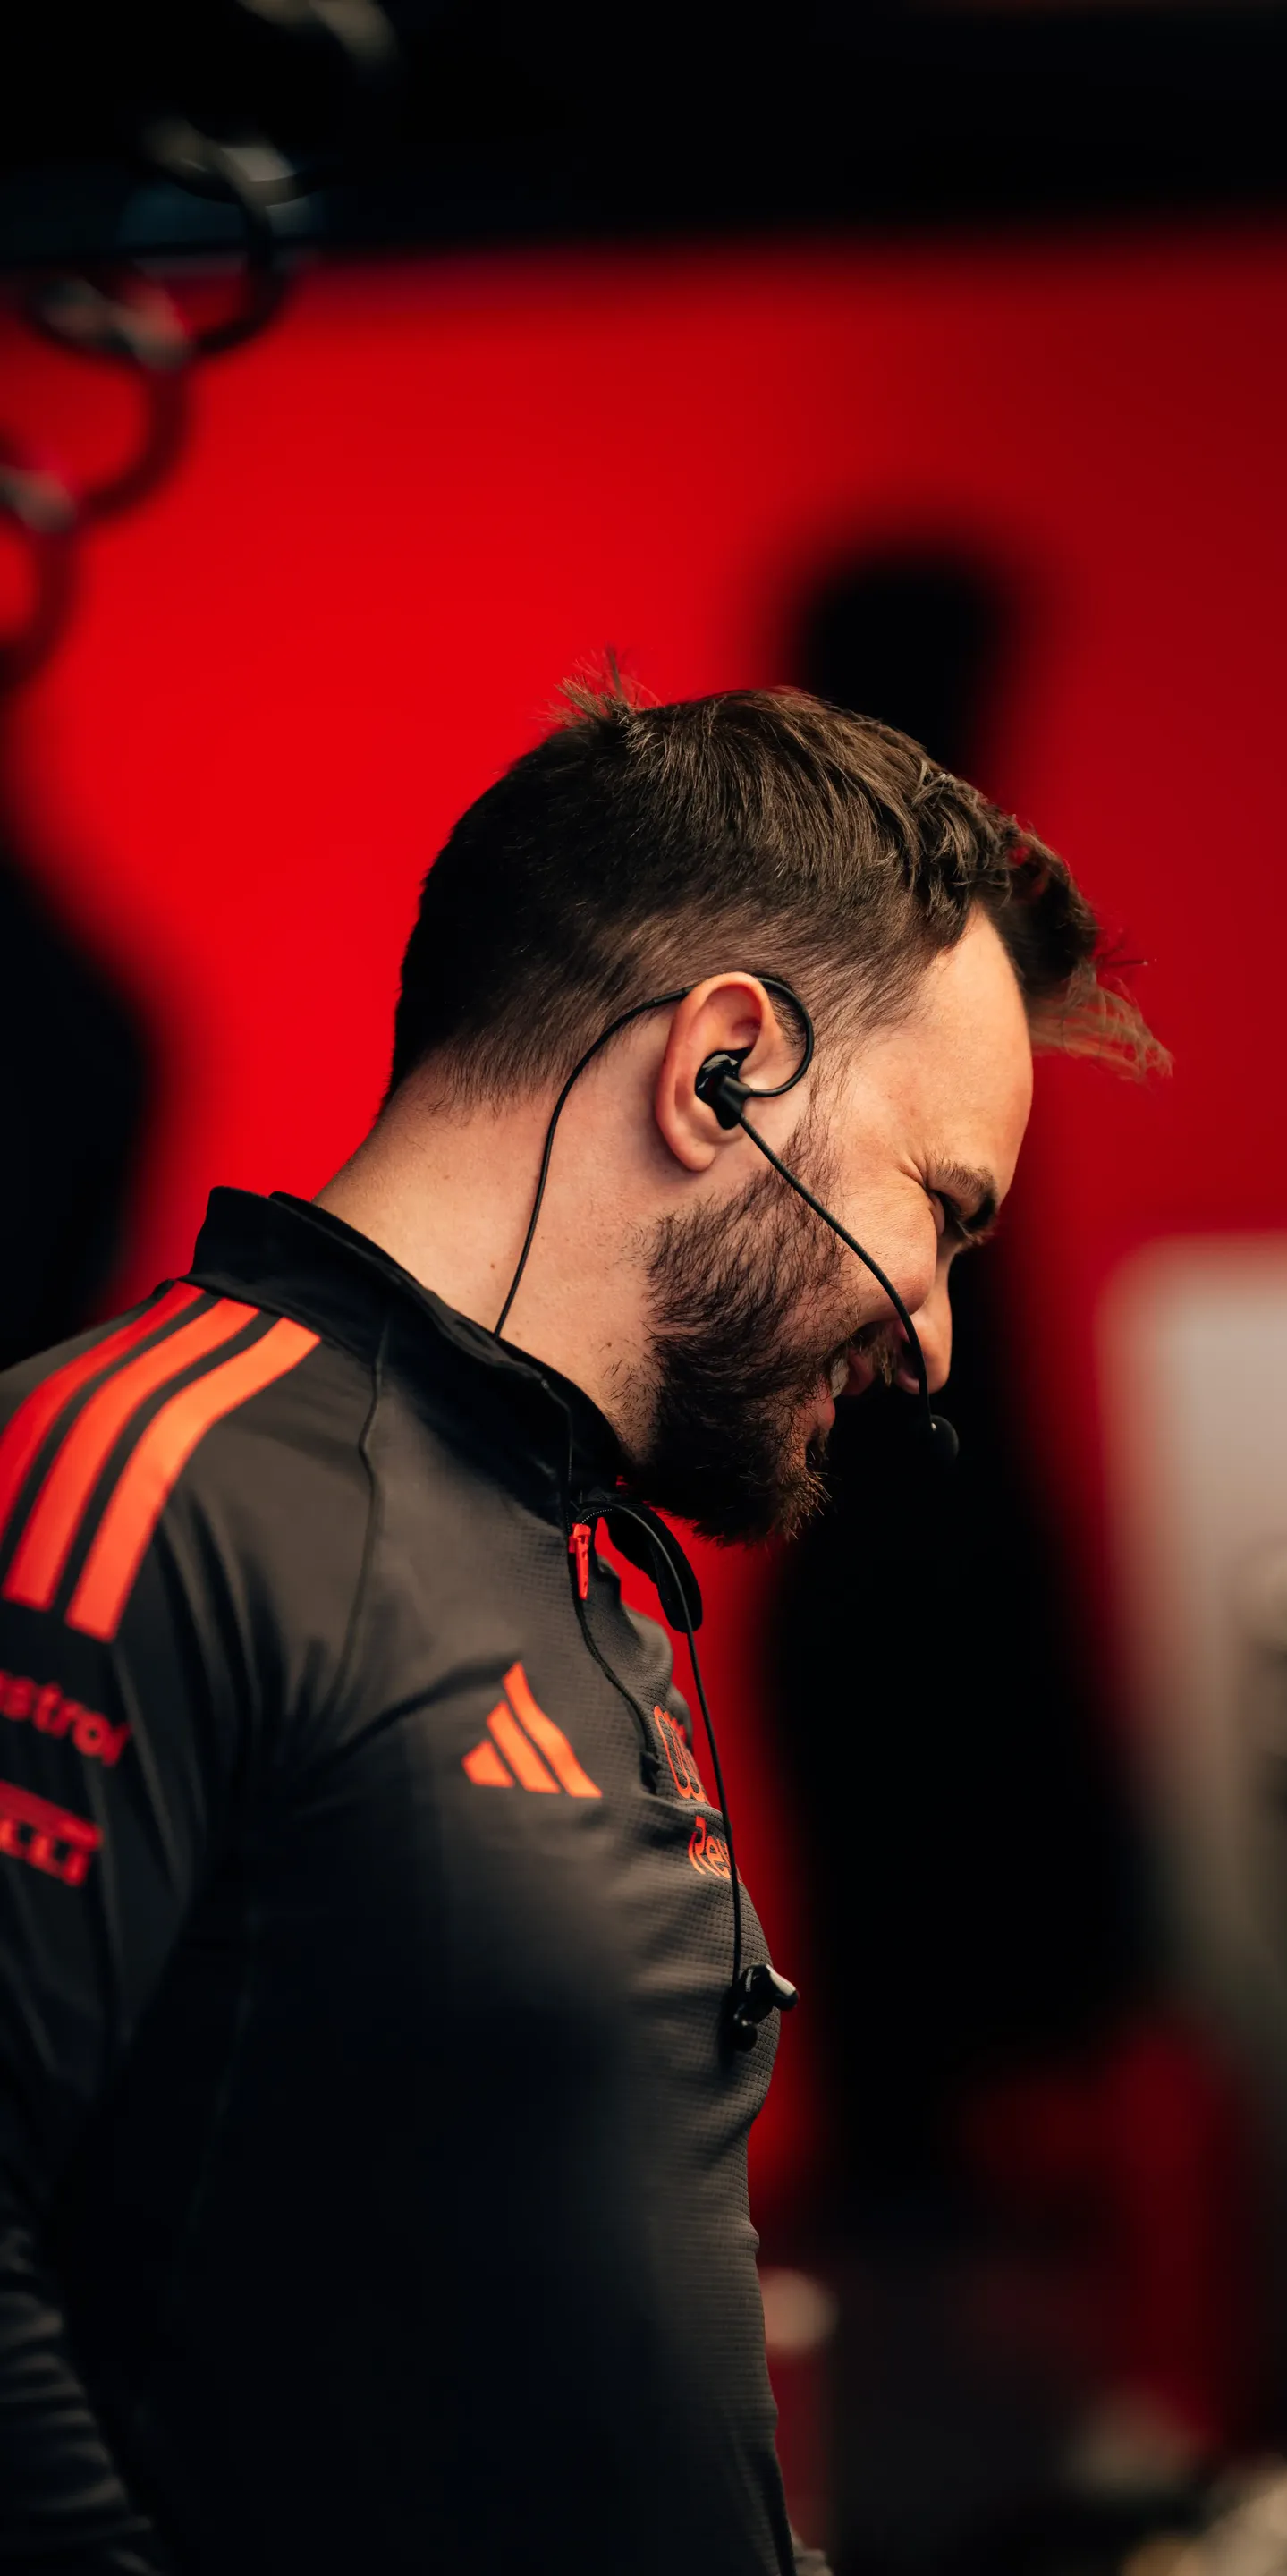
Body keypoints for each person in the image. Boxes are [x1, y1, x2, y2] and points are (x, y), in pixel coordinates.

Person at [0, 682, 1149, 2574]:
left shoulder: (569, 1556)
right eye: (938, 1212)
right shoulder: (151, 1481)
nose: (935, 1333)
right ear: (719, 1072)